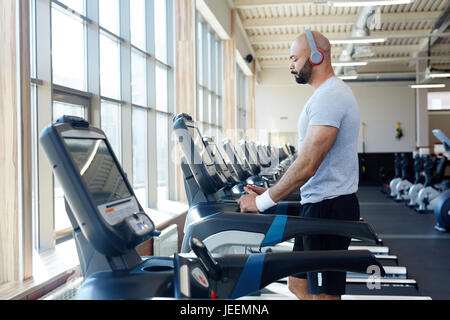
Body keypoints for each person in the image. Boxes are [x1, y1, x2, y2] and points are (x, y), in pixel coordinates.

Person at [237, 30, 361, 300]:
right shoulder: (323, 96)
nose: (290, 65)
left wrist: (262, 203)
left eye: (294, 58)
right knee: (298, 284)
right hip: (317, 205)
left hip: (328, 208)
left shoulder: (331, 97)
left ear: (316, 56)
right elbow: (306, 160)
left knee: (324, 296)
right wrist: (273, 193)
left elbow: (308, 165)